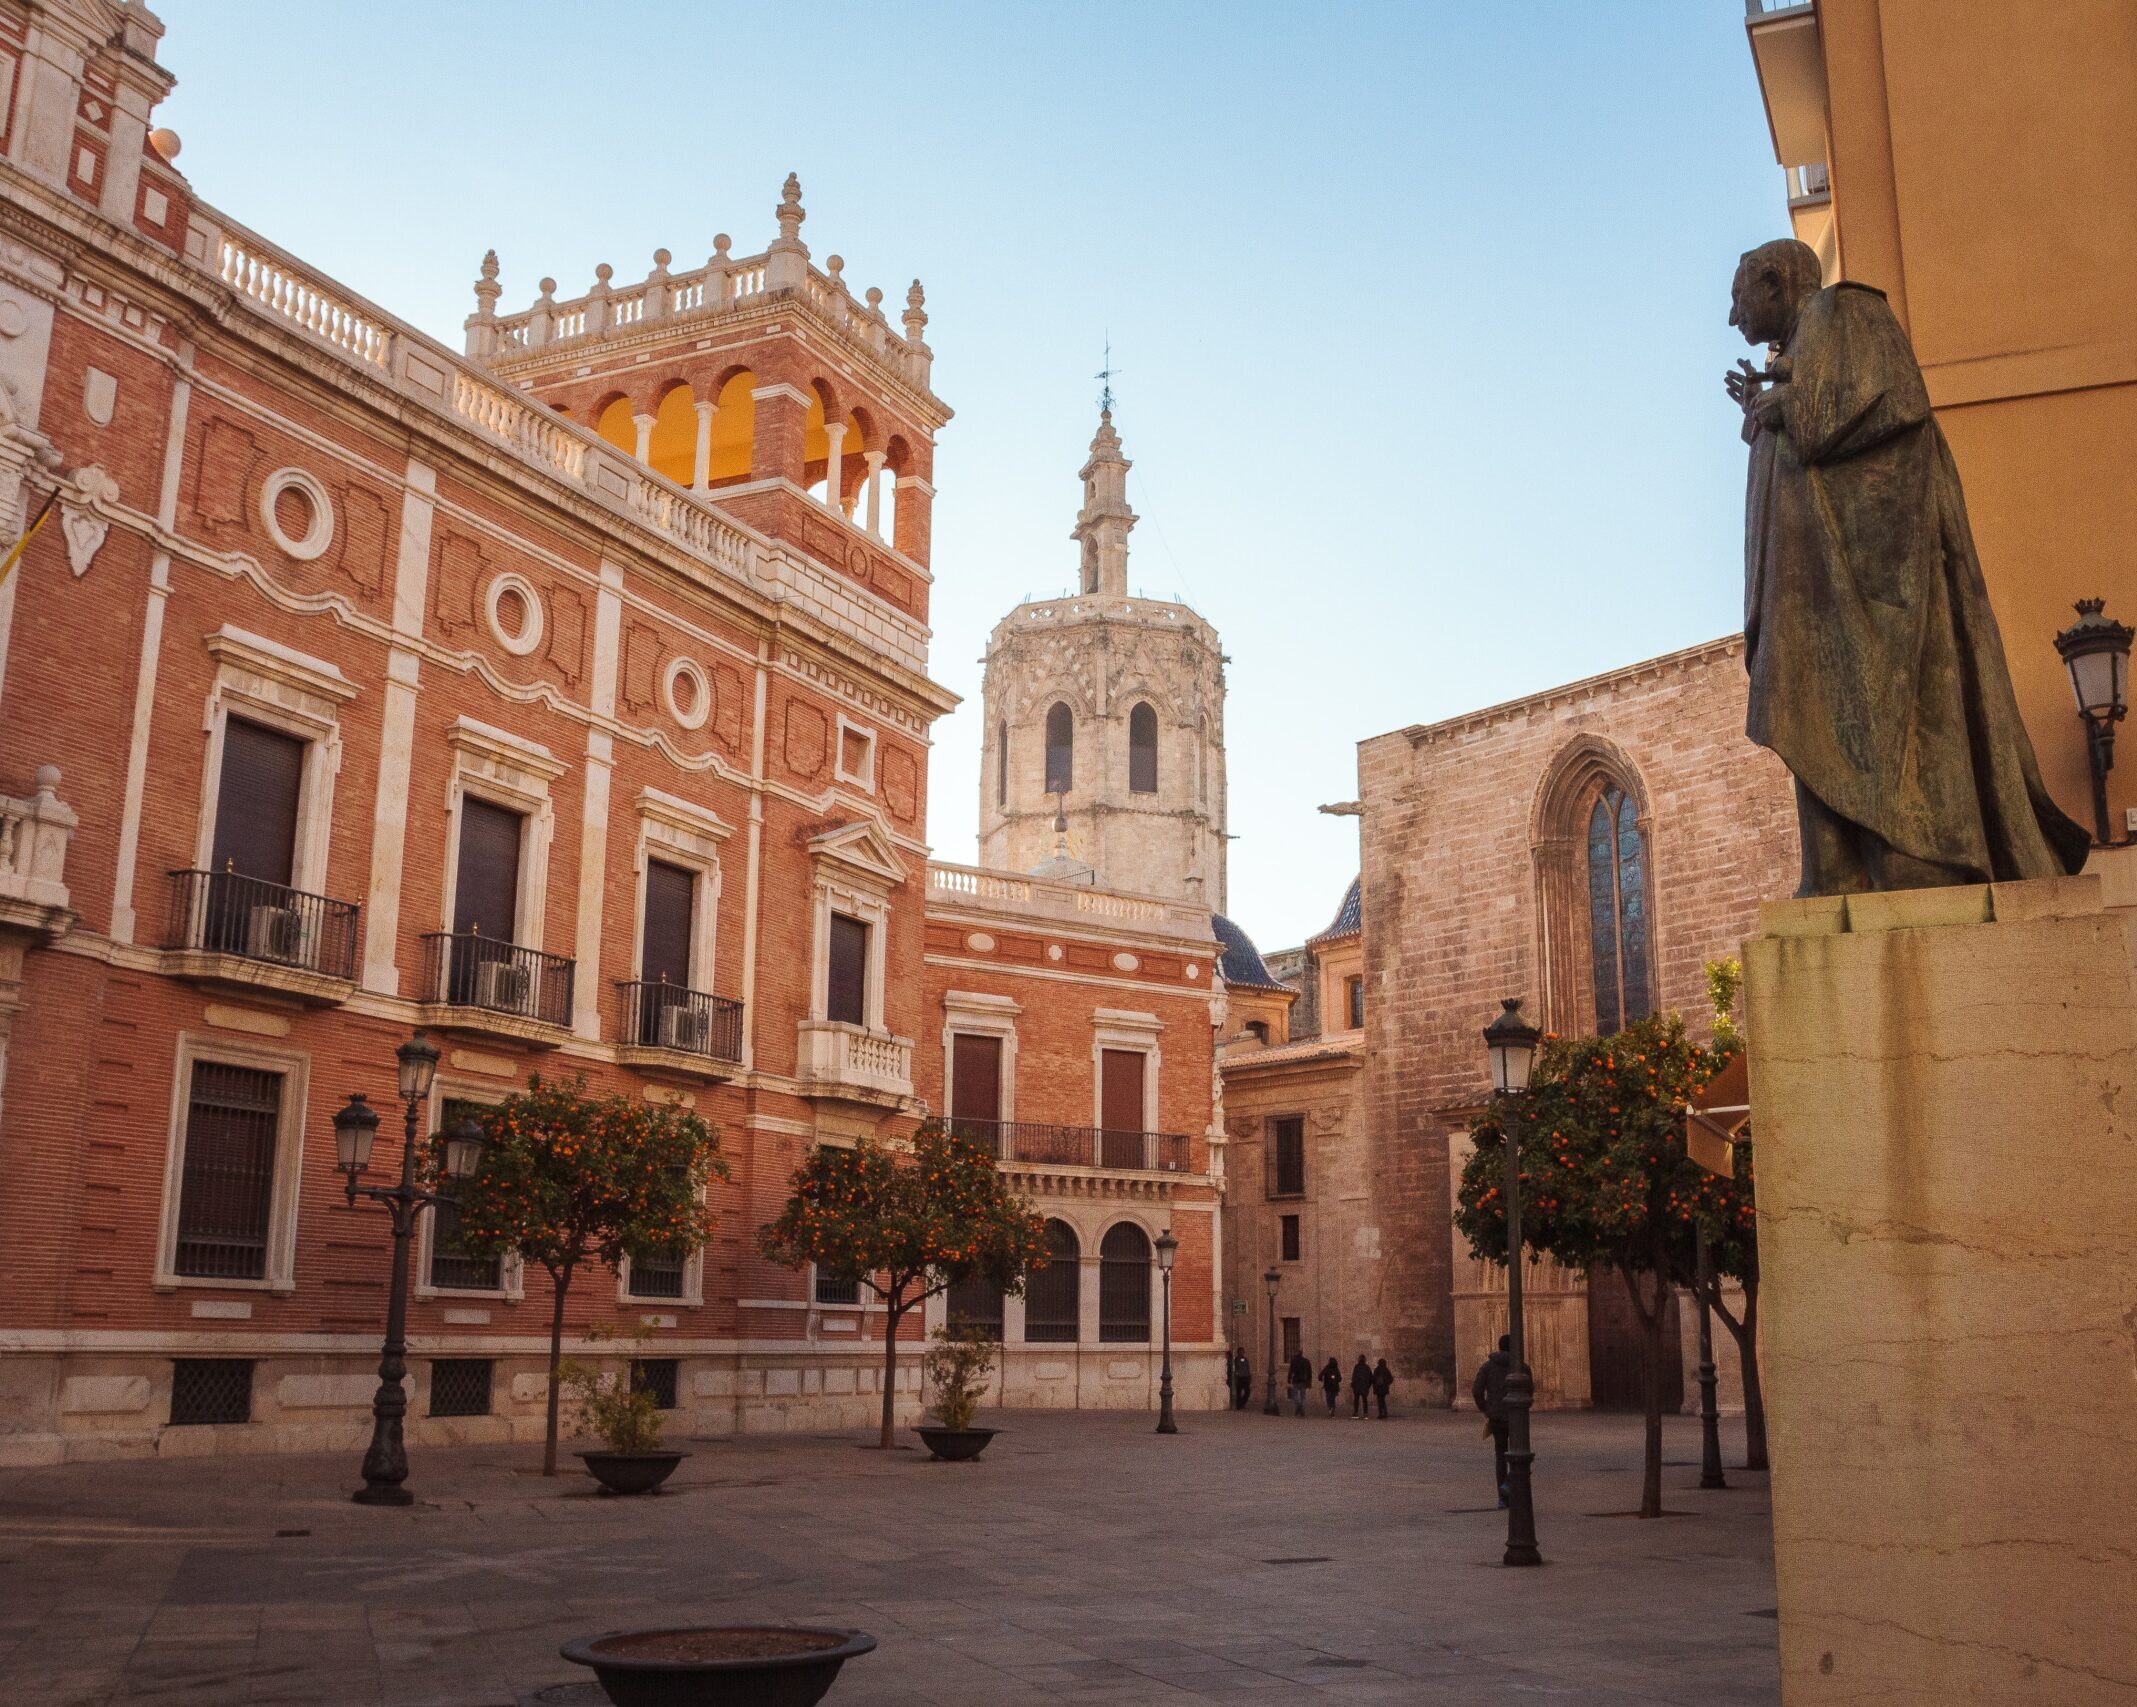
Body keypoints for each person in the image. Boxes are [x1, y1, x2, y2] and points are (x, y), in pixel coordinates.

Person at [1725, 237, 2088, 896]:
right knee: (1806, 700)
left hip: (1869, 578)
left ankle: (1915, 851)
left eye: (1736, 297)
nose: (1732, 318)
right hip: (1816, 578)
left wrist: (1781, 406)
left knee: (1874, 704)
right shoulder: (1805, 346)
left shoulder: (1847, 310)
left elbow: (1886, 399)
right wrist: (1766, 407)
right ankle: (1832, 868)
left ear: (1776, 282)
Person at [1472, 1335, 1513, 1507]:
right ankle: (1509, 1484)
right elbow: (1530, 1389)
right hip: (1516, 1417)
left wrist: (1485, 1409)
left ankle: (1502, 1498)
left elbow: (1476, 1390)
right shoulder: (1521, 1366)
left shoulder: (1488, 1366)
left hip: (1495, 1417)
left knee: (1501, 1456)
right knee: (1522, 1454)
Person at [1286, 1348, 1313, 1417]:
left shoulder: (1294, 1361)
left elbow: (1290, 1371)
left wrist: (1289, 1379)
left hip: (1296, 1380)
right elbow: (1309, 1372)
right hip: (1303, 1381)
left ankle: (1299, 1407)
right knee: (1303, 1397)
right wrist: (1309, 1381)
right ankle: (1301, 1409)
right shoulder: (1306, 1361)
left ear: (1296, 1353)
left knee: (1294, 1395)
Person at [1349, 1354, 1372, 1419]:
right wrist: (1368, 1385)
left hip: (1357, 1386)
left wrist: (1353, 1385)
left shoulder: (1357, 1367)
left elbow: (1354, 1377)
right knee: (1365, 1400)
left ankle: (1356, 1412)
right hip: (1364, 1386)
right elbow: (1370, 1377)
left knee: (1356, 1400)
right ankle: (1365, 1413)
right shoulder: (1367, 1367)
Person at [1371, 1356, 1394, 1420]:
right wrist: (1387, 1383)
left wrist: (1374, 1384)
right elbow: (1391, 1379)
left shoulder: (1376, 1370)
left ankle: (1381, 1414)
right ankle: (1385, 1413)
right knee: (1382, 1400)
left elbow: (1373, 1379)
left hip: (1378, 1388)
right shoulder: (1386, 1370)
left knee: (1380, 1401)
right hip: (1384, 1388)